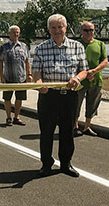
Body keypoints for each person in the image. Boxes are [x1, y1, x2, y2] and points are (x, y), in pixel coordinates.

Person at [33, 14, 88, 178]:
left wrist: (77, 78)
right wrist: (39, 84)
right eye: (53, 28)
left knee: (67, 131)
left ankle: (65, 164)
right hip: (48, 96)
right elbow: (36, 73)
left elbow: (84, 70)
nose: (57, 31)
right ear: (48, 29)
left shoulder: (77, 47)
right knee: (46, 131)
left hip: (69, 96)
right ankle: (46, 164)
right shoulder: (41, 48)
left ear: (66, 28)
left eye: (60, 27)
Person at [74, 21, 108, 137]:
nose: (89, 33)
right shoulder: (76, 44)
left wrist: (94, 71)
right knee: (76, 104)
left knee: (92, 104)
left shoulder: (100, 44)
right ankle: (75, 126)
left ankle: (87, 126)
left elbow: (105, 61)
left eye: (91, 30)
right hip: (79, 80)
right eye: (86, 30)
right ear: (81, 31)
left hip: (96, 79)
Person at [0, 25, 32, 126]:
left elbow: (27, 62)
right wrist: (1, 76)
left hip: (21, 78)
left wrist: (29, 74)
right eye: (14, 32)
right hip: (8, 78)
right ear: (9, 34)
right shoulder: (4, 47)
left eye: (17, 32)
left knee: (19, 98)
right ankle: (8, 117)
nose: (16, 34)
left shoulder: (24, 46)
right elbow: (0, 62)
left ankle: (17, 117)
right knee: (7, 99)